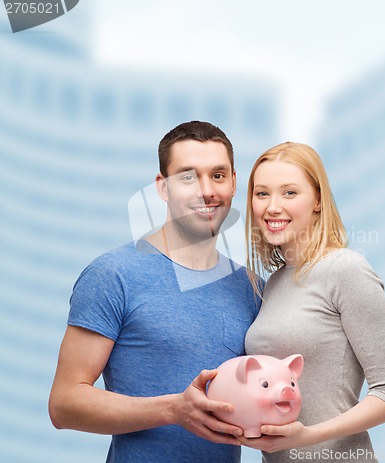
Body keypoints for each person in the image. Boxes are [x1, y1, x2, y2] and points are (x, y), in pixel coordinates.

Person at [48, 121, 260, 463]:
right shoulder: (114, 274)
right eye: (188, 177)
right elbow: (64, 404)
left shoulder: (251, 288)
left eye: (218, 175)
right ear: (163, 187)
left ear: (234, 182)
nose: (206, 190)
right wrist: (174, 409)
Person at [241, 142, 385, 462]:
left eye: (289, 193)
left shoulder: (346, 269)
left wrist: (309, 436)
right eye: (262, 194)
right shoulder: (273, 284)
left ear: (318, 200)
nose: (272, 207)